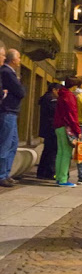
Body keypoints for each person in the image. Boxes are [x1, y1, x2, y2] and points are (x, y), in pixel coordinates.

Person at [0, 49, 26, 188]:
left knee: (13, 144)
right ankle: (2, 175)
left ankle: (6, 173)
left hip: (12, 112)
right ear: (13, 59)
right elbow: (20, 92)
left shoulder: (10, 72)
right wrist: (20, 85)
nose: (20, 60)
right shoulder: (6, 72)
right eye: (19, 57)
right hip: (7, 111)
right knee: (5, 144)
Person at [54, 77, 81, 187]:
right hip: (67, 127)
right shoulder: (69, 96)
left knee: (60, 152)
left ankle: (59, 177)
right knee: (66, 153)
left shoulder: (61, 94)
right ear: (74, 86)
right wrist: (77, 130)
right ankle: (63, 179)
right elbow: (72, 114)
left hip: (58, 126)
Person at [37, 82, 61, 179]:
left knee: (47, 150)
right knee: (52, 150)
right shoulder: (51, 99)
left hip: (47, 127)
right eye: (58, 91)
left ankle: (42, 172)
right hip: (51, 128)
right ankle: (49, 172)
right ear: (54, 90)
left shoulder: (45, 98)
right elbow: (54, 111)